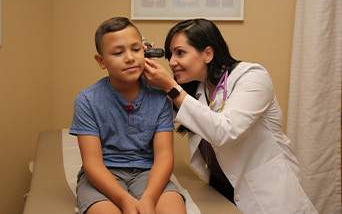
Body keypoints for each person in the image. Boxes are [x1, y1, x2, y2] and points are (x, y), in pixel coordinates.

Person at [143, 18, 318, 214]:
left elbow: (225, 131)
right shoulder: (196, 91)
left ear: (207, 54)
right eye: (170, 55)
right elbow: (151, 112)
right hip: (223, 193)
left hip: (269, 198)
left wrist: (170, 87)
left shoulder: (252, 77)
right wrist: (137, 63)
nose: (172, 62)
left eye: (180, 53)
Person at [70, 17, 186, 214]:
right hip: (104, 176)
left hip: (148, 174)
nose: (130, 58)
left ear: (145, 51)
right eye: (118, 52)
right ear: (101, 61)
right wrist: (124, 200)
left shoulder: (160, 98)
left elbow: (164, 156)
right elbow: (92, 163)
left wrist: (149, 197)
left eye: (136, 49)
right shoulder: (87, 100)